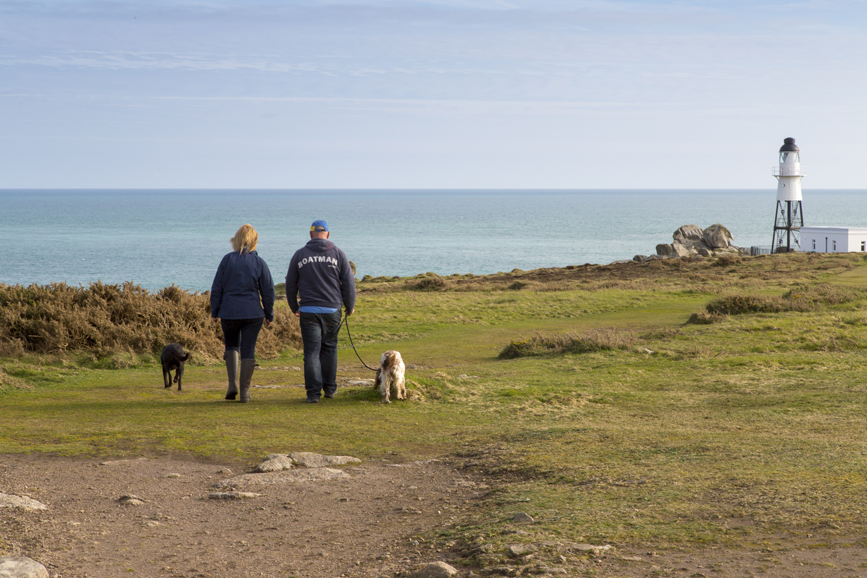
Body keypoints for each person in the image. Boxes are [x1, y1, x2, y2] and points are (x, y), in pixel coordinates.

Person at [285, 220, 356, 403]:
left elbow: (290, 283)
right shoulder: (338, 254)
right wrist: (350, 305)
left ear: (310, 235)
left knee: (311, 352)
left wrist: (294, 307)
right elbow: (348, 282)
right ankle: (330, 389)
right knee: (330, 349)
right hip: (332, 309)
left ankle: (313, 394)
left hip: (308, 310)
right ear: (328, 235)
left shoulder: (300, 255)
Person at [211, 224, 275, 403]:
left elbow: (217, 288)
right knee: (248, 349)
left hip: (229, 311)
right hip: (253, 312)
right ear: (254, 241)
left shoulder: (227, 260)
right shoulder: (259, 262)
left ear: (236, 240)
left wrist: (215, 311)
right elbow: (268, 291)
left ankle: (232, 385)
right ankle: (245, 392)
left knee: (231, 345)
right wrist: (269, 315)